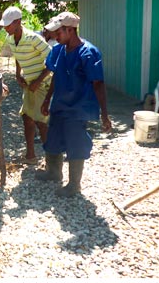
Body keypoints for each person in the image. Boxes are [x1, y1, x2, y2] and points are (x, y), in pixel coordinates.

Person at [36, 11, 112, 196]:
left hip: (79, 109)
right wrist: (47, 99)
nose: (54, 36)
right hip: (60, 105)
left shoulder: (89, 53)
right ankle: (54, 172)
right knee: (52, 140)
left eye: (58, 32)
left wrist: (104, 114)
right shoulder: (58, 50)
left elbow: (98, 84)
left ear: (70, 30)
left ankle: (74, 185)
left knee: (76, 144)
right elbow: (56, 75)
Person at [0, 6, 52, 163]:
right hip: (29, 84)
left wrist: (38, 80)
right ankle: (30, 156)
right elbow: (17, 56)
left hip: (42, 85)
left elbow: (52, 60)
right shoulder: (10, 39)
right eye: (4, 25)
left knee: (41, 122)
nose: (5, 28)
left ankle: (51, 161)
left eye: (8, 24)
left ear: (18, 22)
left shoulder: (34, 39)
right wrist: (17, 74)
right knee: (27, 118)